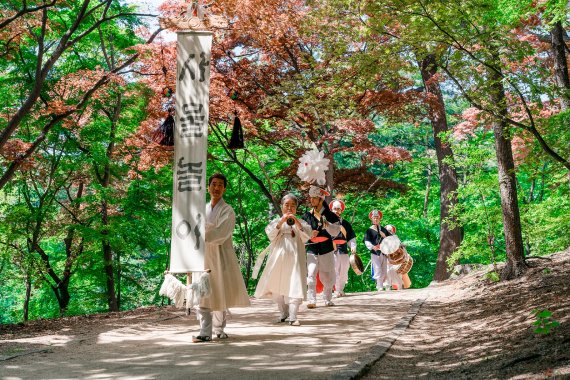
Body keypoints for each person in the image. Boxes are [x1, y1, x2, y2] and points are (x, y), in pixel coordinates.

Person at [193, 173, 251, 343]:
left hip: (220, 255)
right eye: (214, 184)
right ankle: (205, 331)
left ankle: (219, 328)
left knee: (219, 291)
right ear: (208, 187)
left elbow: (222, 233)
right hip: (203, 255)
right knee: (203, 291)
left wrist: (203, 230)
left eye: (220, 185)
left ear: (224, 188)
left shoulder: (228, 210)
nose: (216, 188)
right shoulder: (201, 209)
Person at [254, 194, 311, 326]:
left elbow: (306, 237)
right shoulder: (276, 222)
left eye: (293, 206)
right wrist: (281, 222)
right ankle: (283, 312)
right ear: (282, 207)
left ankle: (293, 315)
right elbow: (270, 235)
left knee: (294, 284)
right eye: (287, 205)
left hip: (296, 259)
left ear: (296, 208)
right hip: (278, 258)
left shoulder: (301, 223)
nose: (289, 208)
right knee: (277, 285)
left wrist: (296, 222)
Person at [302, 185, 341, 308]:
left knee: (327, 273)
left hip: (326, 247)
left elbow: (336, 232)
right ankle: (311, 300)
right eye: (311, 198)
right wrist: (309, 234)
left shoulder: (331, 215)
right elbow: (301, 232)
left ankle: (327, 298)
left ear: (321, 199)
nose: (312, 200)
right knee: (311, 273)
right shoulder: (306, 216)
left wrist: (327, 225)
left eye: (315, 198)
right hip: (312, 248)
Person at [330, 200, 357, 297]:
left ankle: (341, 289)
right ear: (331, 210)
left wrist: (353, 247)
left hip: (344, 249)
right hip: (332, 250)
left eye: (338, 209)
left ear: (341, 211)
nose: (336, 211)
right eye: (334, 209)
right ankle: (336, 290)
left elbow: (351, 237)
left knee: (344, 270)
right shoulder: (327, 223)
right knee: (335, 270)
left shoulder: (346, 223)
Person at [363, 210, 392, 291]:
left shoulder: (383, 229)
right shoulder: (369, 230)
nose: (375, 219)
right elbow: (366, 241)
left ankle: (383, 285)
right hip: (375, 252)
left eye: (377, 218)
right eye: (374, 218)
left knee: (384, 269)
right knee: (377, 268)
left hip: (384, 252)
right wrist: (372, 246)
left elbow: (391, 239)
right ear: (371, 219)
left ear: (379, 219)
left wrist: (384, 236)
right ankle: (379, 286)